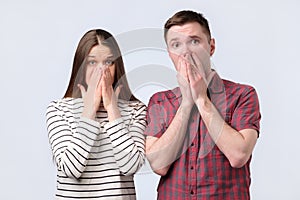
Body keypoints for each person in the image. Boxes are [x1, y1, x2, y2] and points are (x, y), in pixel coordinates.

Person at [145, 10, 261, 199]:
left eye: (194, 41)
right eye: (176, 45)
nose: (186, 52)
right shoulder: (159, 101)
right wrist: (186, 103)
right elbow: (159, 165)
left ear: (211, 47)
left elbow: (238, 156)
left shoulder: (243, 95)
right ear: (169, 54)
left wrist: (201, 99)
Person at [46, 29, 146, 199]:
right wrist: (89, 110)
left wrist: (112, 108)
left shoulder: (135, 110)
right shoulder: (58, 110)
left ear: (117, 67)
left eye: (108, 62)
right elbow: (71, 168)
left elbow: (130, 166)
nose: (102, 70)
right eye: (92, 62)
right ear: (81, 67)